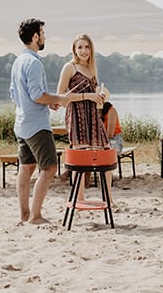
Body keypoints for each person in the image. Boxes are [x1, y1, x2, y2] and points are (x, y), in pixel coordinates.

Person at [10, 18, 70, 225]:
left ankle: (24, 214)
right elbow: (36, 95)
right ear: (35, 37)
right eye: (43, 33)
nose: (44, 37)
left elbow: (14, 95)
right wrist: (59, 99)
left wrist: (47, 102)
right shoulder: (34, 62)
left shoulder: (18, 62)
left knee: (26, 168)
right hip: (37, 125)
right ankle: (35, 216)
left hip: (22, 123)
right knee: (50, 169)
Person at [56, 33, 110, 202]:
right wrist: (87, 96)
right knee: (79, 158)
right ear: (74, 49)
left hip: (93, 116)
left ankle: (108, 198)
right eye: (80, 47)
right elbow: (60, 96)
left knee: (106, 153)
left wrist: (99, 96)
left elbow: (92, 95)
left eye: (87, 47)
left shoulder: (92, 69)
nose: (84, 50)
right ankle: (79, 198)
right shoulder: (69, 67)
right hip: (77, 115)